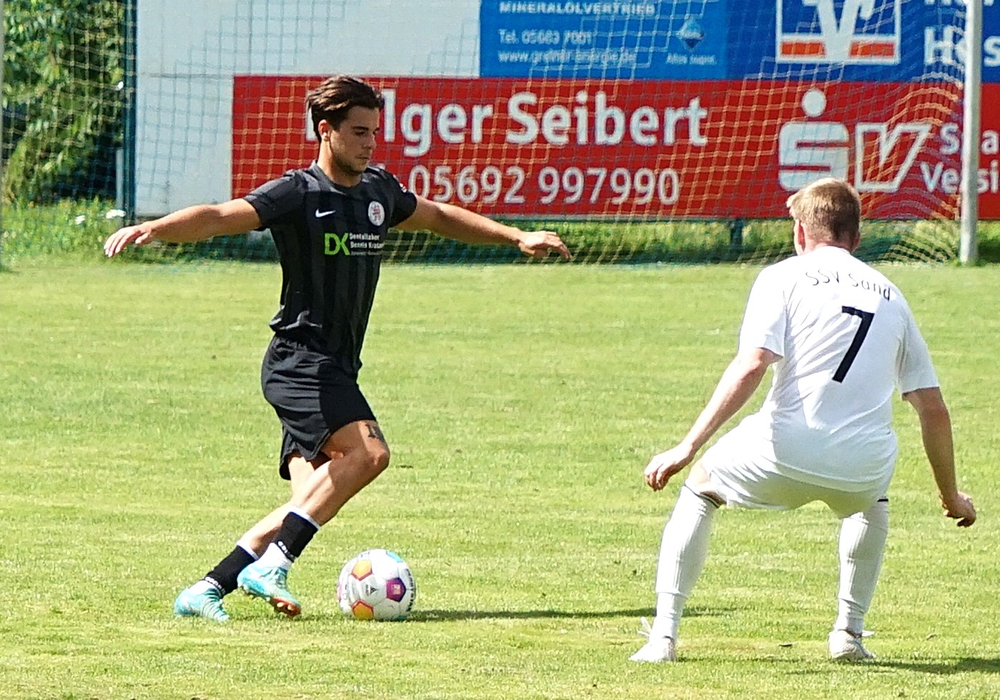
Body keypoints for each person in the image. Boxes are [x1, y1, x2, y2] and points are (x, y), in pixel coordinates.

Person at [104, 75, 571, 622]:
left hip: (337, 366)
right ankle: (273, 565)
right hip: (300, 361)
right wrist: (158, 228)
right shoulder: (298, 193)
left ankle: (206, 588)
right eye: (359, 132)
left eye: (374, 131)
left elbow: (439, 216)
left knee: (309, 500)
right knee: (370, 455)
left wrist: (516, 236)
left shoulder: (379, 191)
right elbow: (219, 216)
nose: (371, 143)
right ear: (326, 131)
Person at [629, 177, 976, 663]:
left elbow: (753, 364)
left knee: (702, 487)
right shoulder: (893, 296)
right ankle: (848, 634)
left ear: (799, 232)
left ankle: (663, 638)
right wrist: (950, 496)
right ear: (856, 237)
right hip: (859, 468)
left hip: (784, 450)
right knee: (872, 501)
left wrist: (687, 446)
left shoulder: (782, 277)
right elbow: (932, 408)